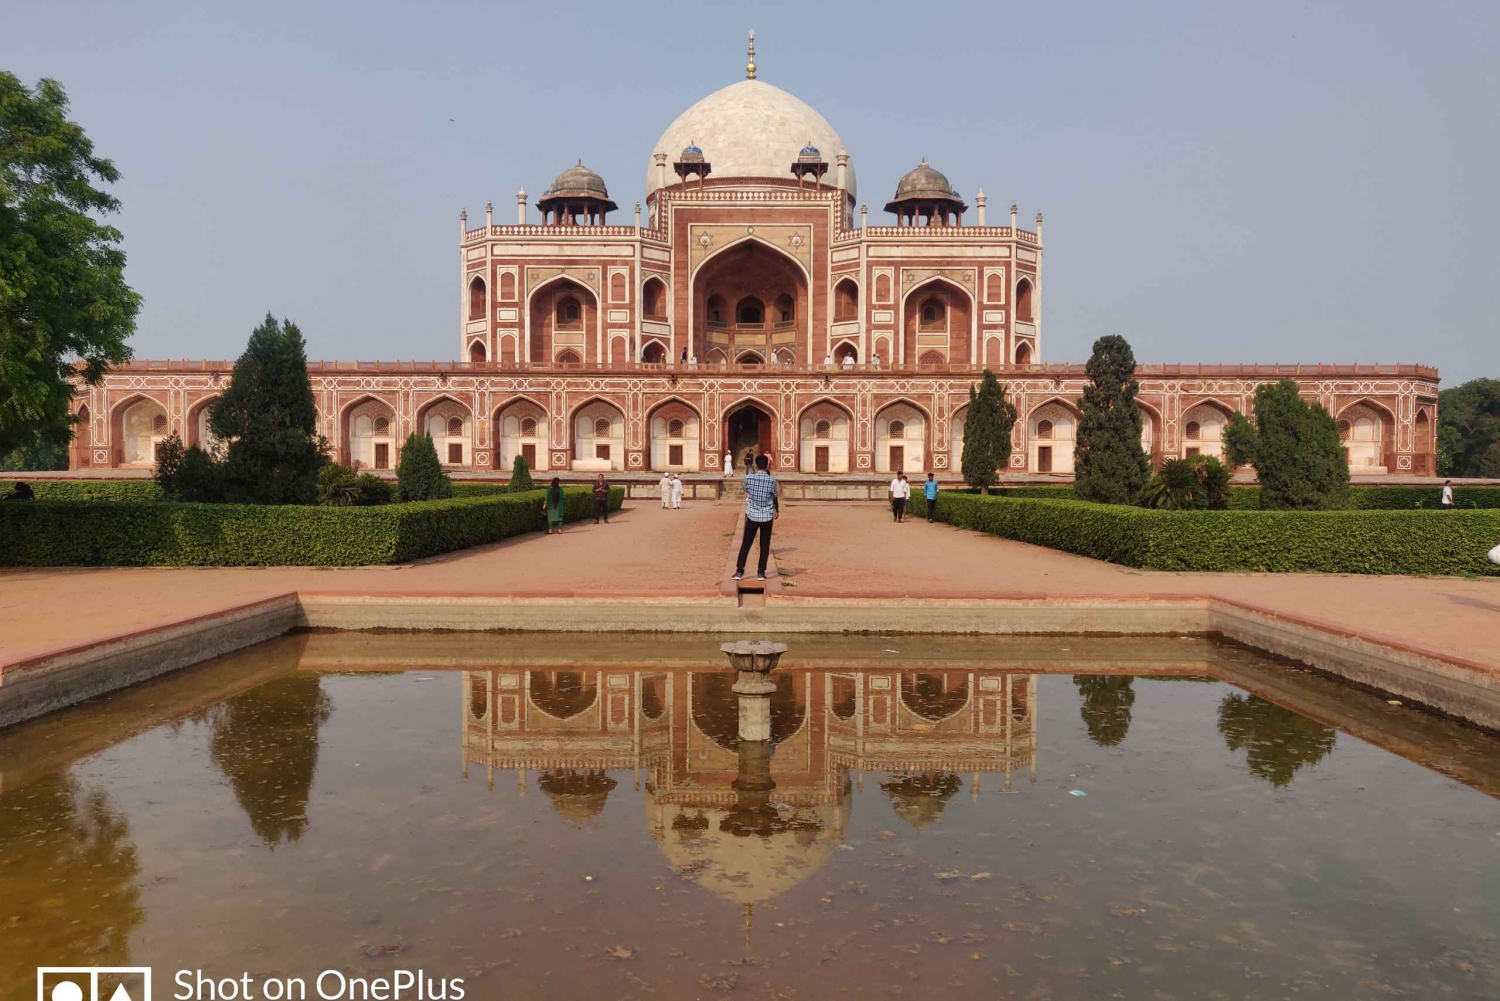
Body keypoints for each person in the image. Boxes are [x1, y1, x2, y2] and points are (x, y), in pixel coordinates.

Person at [733, 454, 779, 581]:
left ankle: (739, 571)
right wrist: (777, 510)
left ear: (755, 465)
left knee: (746, 543)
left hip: (752, 514)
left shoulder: (749, 478)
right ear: (767, 465)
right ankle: (761, 573)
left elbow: (746, 490)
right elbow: (775, 495)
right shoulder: (772, 480)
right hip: (767, 515)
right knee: (764, 545)